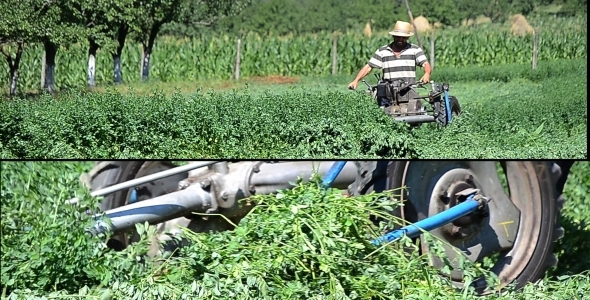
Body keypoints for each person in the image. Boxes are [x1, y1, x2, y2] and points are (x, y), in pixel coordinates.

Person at [348, 20, 432, 108]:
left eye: (403, 37)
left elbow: (425, 64)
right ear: (393, 36)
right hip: (388, 92)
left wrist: (426, 74)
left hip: (408, 90)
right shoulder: (383, 51)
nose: (400, 39)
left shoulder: (415, 50)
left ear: (407, 38)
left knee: (413, 111)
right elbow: (369, 67)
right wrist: (356, 81)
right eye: (398, 37)